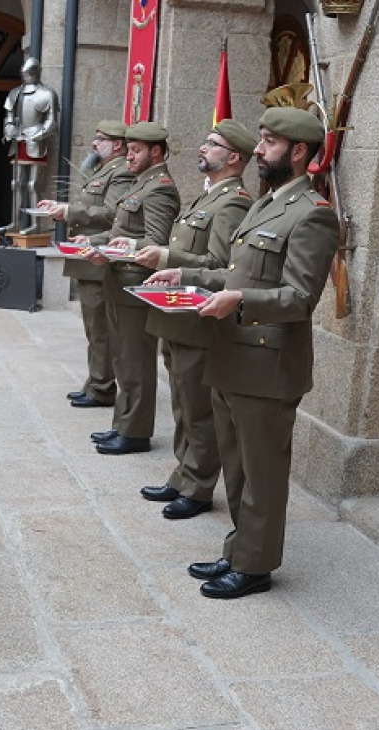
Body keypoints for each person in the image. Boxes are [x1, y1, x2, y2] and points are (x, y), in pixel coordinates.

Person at [149, 107, 338, 599]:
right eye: (260, 139)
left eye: (269, 142)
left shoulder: (313, 215)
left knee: (263, 473)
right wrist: (185, 275)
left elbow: (299, 298)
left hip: (268, 363)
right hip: (231, 356)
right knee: (235, 468)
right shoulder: (262, 206)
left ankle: (255, 565)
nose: (258, 149)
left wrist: (240, 301)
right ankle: (238, 548)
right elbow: (235, 275)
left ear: (298, 152)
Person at [135, 120, 255, 520]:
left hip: (198, 322)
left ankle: (199, 487)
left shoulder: (233, 202)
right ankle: (182, 475)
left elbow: (221, 265)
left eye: (213, 143)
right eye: (205, 140)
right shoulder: (207, 197)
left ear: (234, 157)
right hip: (177, 318)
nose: (202, 148)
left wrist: (167, 260)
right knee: (183, 406)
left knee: (199, 410)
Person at [75, 121, 180, 455]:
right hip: (119, 282)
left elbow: (156, 243)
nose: (129, 156)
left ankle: (135, 432)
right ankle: (122, 423)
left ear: (157, 152)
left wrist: (117, 250)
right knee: (122, 359)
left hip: (135, 285)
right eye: (129, 149)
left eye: (136, 151)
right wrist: (93, 241)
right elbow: (123, 231)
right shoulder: (141, 184)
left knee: (135, 362)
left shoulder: (160, 188)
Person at [38, 119, 135, 409]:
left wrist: (69, 211)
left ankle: (102, 386)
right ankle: (95, 381)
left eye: (100, 138)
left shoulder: (120, 173)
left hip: (98, 256)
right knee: (93, 327)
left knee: (100, 327)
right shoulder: (103, 169)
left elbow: (110, 214)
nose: (94, 143)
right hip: (86, 256)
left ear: (117, 145)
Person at [3, 57, 58, 233]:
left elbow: (52, 122)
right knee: (15, 183)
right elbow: (9, 118)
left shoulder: (47, 94)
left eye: (28, 73)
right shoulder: (15, 93)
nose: (25, 76)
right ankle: (15, 222)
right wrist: (8, 129)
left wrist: (39, 134)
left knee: (33, 185)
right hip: (18, 140)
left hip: (35, 141)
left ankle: (36, 225)